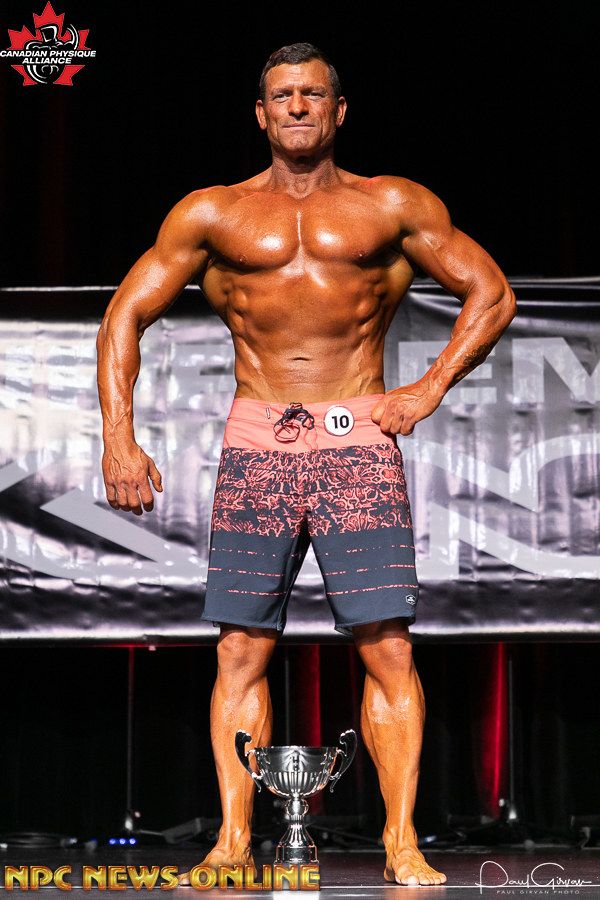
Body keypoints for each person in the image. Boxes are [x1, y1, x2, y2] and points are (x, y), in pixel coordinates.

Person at [96, 42, 516, 887]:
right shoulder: (211, 213)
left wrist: (427, 388)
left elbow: (493, 292)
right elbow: (123, 315)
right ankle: (232, 841)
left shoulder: (391, 204)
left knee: (387, 646)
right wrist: (118, 437)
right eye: (282, 95)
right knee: (239, 648)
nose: (296, 106)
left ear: (338, 109)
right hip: (258, 443)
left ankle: (401, 841)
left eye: (312, 94)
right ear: (261, 113)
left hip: (357, 440)